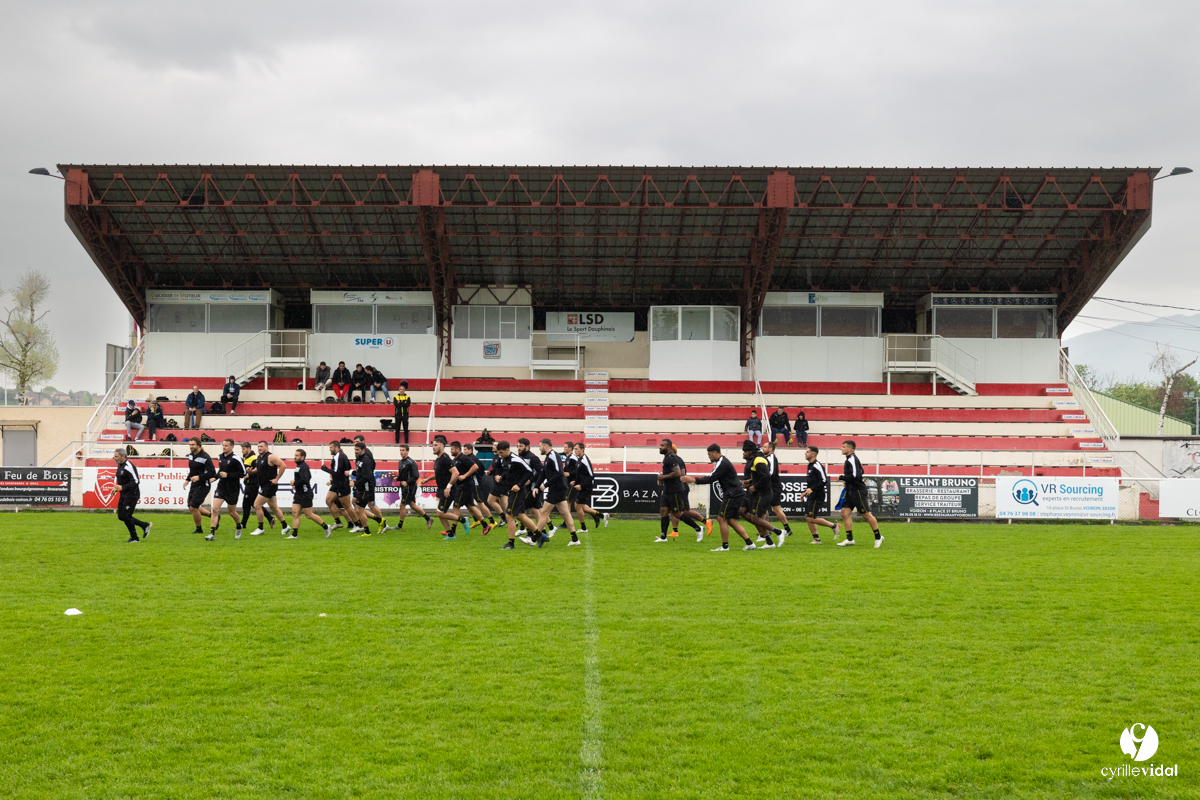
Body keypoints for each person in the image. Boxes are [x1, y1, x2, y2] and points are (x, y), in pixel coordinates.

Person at [681, 444, 756, 551]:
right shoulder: (722, 461)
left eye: (709, 454)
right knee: (730, 520)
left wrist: (693, 480)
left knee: (721, 518)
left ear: (715, 452)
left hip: (732, 493)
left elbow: (711, 478)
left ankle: (725, 546)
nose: (709, 457)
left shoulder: (722, 463)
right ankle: (750, 543)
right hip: (735, 493)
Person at [653, 438, 706, 543]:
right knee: (663, 511)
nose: (660, 447)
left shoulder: (671, 458)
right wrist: (663, 480)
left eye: (662, 445)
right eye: (660, 445)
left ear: (668, 447)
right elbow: (670, 474)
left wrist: (663, 477)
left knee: (677, 514)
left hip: (675, 490)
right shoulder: (666, 458)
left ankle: (698, 529)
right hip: (667, 489)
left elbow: (677, 473)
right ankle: (663, 537)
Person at [836, 440, 883, 548]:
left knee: (866, 514)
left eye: (843, 447)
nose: (841, 448)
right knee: (844, 512)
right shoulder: (850, 459)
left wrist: (842, 477)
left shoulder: (852, 459)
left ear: (850, 449)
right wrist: (847, 482)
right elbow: (861, 471)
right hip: (850, 490)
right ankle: (850, 539)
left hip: (857, 491)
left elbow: (856, 475)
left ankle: (878, 537)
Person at [536, 438, 579, 545]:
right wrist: (537, 486)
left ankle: (533, 538)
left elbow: (559, 472)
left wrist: (546, 484)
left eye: (540, 446)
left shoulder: (553, 456)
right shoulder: (548, 457)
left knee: (543, 512)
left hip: (557, 488)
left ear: (545, 446)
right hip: (558, 488)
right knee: (565, 513)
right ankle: (575, 539)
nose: (539, 448)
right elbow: (544, 473)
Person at [740, 440, 780, 548]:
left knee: (757, 517)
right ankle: (768, 540)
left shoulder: (758, 459)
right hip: (754, 491)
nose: (743, 453)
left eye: (744, 451)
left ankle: (777, 532)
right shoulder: (754, 459)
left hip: (761, 492)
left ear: (749, 451)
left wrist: (754, 486)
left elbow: (766, 476)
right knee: (744, 513)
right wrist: (749, 482)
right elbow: (758, 476)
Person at [289, 449, 332, 538]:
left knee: (309, 515)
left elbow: (305, 479)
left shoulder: (303, 466)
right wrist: (297, 487)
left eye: (297, 455)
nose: (295, 457)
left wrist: (295, 483)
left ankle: (326, 527)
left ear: (302, 457)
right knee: (295, 513)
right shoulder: (299, 466)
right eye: (295, 455)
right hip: (299, 493)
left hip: (305, 494)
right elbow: (309, 476)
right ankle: (294, 534)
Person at [801, 445, 839, 544]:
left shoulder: (817, 465)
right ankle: (817, 539)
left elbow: (824, 480)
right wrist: (805, 493)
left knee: (810, 518)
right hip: (812, 495)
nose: (805, 453)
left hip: (818, 495)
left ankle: (834, 526)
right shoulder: (810, 465)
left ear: (813, 454)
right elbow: (812, 483)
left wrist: (812, 489)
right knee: (807, 516)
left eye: (807, 452)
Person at [250, 441, 289, 537]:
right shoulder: (259, 458)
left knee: (256, 505)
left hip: (269, 485)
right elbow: (259, 470)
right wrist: (251, 471)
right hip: (264, 485)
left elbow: (283, 465)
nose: (259, 448)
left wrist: (277, 479)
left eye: (261, 446)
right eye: (258, 446)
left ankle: (260, 528)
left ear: (267, 447)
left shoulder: (270, 456)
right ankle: (285, 526)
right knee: (274, 508)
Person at [112, 447, 151, 543]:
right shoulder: (120, 465)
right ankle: (144, 525)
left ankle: (134, 538)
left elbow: (136, 481)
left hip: (132, 494)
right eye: (114, 457)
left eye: (116, 456)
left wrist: (123, 487)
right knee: (121, 516)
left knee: (126, 516)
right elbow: (122, 480)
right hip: (124, 494)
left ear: (123, 456)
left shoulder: (129, 466)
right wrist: (116, 488)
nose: (114, 458)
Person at [391, 443, 433, 530]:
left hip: (410, 487)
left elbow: (416, 476)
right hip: (404, 486)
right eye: (400, 450)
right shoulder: (400, 462)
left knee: (402, 505)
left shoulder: (411, 462)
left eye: (403, 450)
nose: (401, 452)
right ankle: (428, 519)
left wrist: (407, 482)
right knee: (412, 505)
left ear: (407, 451)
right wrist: (397, 478)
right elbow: (402, 475)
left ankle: (400, 526)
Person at [209, 438, 245, 539]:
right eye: (223, 445)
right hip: (221, 488)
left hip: (232, 489)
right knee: (215, 509)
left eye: (226, 446)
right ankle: (212, 533)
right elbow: (221, 470)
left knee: (231, 512)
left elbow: (243, 473)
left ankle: (238, 526)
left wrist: (228, 475)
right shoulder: (220, 457)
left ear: (232, 447)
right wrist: (215, 478)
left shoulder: (236, 458)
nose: (224, 447)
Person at [761, 440, 794, 542]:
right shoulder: (767, 458)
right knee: (763, 508)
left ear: (771, 449)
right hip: (769, 487)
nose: (763, 448)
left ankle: (787, 529)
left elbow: (771, 472)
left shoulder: (771, 458)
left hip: (774, 487)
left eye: (765, 447)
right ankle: (766, 531)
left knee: (776, 509)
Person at [571, 442, 608, 531]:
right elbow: (580, 474)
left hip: (586, 486)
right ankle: (601, 515)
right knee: (582, 506)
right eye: (574, 449)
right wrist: (575, 481)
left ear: (582, 449)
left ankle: (584, 528)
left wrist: (581, 485)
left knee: (577, 505)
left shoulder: (584, 460)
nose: (575, 451)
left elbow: (591, 476)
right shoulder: (579, 459)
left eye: (576, 449)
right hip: (582, 486)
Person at [240, 441, 276, 532]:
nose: (242, 451)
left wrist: (249, 475)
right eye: (242, 449)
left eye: (244, 449)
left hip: (253, 484)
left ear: (249, 449)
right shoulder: (246, 458)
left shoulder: (254, 458)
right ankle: (270, 518)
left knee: (247, 505)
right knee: (254, 504)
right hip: (249, 484)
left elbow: (259, 471)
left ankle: (243, 524)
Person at [350, 440, 384, 535]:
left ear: (363, 450)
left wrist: (356, 484)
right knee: (363, 506)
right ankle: (380, 521)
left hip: (365, 488)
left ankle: (367, 532)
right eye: (355, 449)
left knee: (360, 509)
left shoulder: (366, 460)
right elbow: (361, 473)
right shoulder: (359, 459)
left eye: (357, 450)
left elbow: (367, 476)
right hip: (363, 486)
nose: (355, 451)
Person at [431, 435, 462, 539]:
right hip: (441, 489)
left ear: (442, 445)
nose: (433, 447)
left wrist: (448, 487)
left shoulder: (445, 458)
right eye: (433, 445)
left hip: (447, 490)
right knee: (439, 513)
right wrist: (427, 479)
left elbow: (455, 472)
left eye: (435, 445)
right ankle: (450, 534)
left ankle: (463, 520)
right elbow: (439, 474)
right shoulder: (438, 459)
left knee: (440, 513)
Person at [321, 440, 356, 532]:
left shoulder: (338, 456)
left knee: (347, 506)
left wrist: (326, 469)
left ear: (337, 447)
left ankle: (357, 524)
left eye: (331, 448)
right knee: (328, 501)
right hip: (337, 483)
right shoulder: (340, 456)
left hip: (341, 484)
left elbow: (337, 472)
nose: (330, 450)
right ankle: (338, 522)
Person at [185, 438, 217, 538]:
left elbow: (212, 472)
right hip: (194, 483)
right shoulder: (191, 455)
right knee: (191, 506)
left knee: (193, 507)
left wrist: (199, 477)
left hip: (203, 484)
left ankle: (199, 529)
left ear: (199, 445)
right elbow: (193, 470)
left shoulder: (205, 457)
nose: (191, 446)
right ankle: (213, 516)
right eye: (190, 444)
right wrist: (187, 479)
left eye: (193, 444)